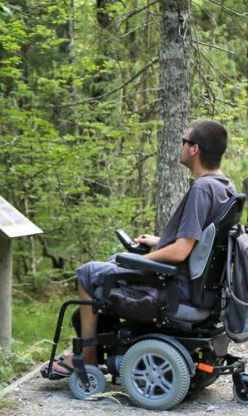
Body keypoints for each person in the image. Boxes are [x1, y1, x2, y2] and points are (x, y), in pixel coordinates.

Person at [47, 119, 236, 377]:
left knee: (88, 272)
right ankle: (91, 346)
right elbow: (202, 243)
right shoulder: (225, 187)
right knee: (115, 261)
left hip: (177, 289)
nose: (180, 146)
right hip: (201, 288)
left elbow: (181, 251)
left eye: (184, 141)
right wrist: (159, 242)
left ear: (195, 149)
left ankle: (88, 357)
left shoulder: (201, 189)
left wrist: (131, 261)